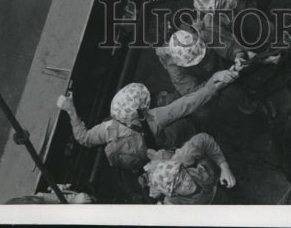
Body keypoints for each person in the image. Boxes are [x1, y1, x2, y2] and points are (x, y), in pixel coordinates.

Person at [56, 72, 237, 172]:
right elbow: (187, 104)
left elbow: (83, 138)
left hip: (137, 159)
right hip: (159, 142)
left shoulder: (108, 128)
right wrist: (213, 84)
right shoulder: (155, 118)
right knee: (184, 123)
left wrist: (71, 110)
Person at [143, 132, 235, 204]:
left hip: (214, 185)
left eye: (183, 175)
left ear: (183, 168)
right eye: (179, 185)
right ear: (173, 194)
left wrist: (224, 167)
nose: (187, 183)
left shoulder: (183, 158)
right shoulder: (174, 205)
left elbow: (203, 139)